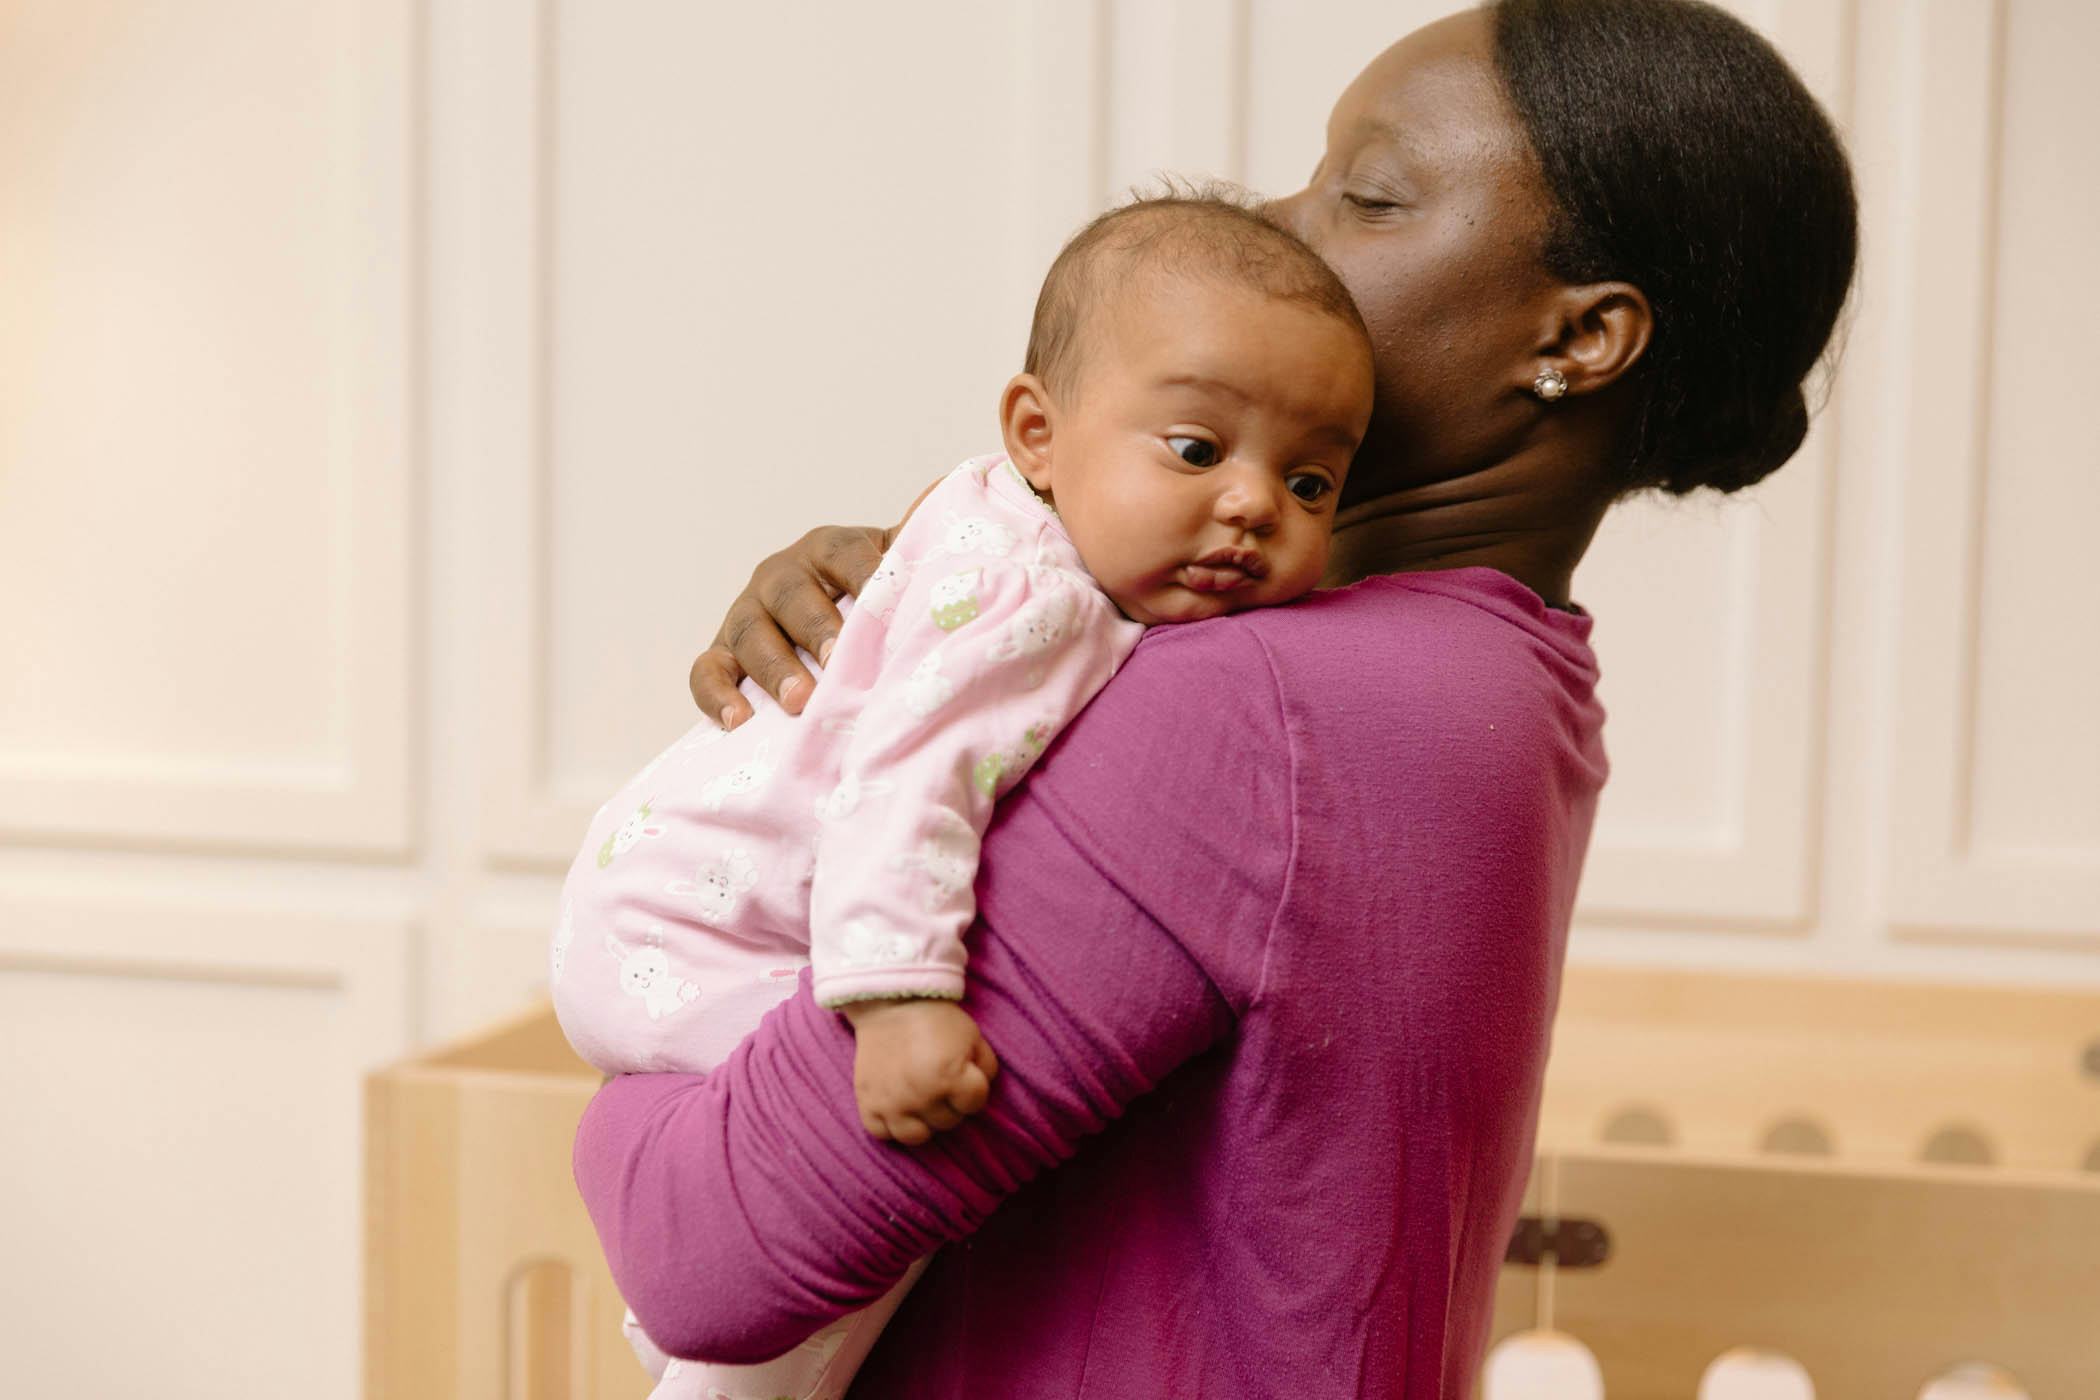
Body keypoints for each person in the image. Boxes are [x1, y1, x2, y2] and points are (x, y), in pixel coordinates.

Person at [572, 1, 1859, 1395]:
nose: (1279, 221)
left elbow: (702, 1253)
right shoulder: (1501, 686)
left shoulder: (1259, 710)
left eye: (1368, 195)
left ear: (1581, 336)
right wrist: (932, 613)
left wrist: (623, 1069)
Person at [553, 193, 1375, 1400]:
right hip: (708, 935)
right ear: (1037, 433)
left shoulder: (990, 515)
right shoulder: (1039, 604)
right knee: (858, 1222)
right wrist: (894, 1003)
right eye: (1197, 451)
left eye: (1309, 482)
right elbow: (909, 782)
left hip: (665, 896)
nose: (1255, 505)